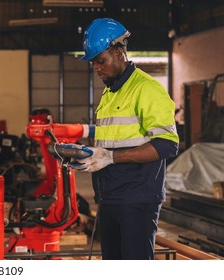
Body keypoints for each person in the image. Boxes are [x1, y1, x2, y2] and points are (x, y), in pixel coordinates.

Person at [73, 18, 179, 260]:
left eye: (101, 61)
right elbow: (113, 142)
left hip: (137, 200)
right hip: (109, 197)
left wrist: (111, 157)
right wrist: (89, 157)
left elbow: (167, 144)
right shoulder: (110, 93)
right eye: (93, 63)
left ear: (119, 52)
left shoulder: (147, 89)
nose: (97, 68)